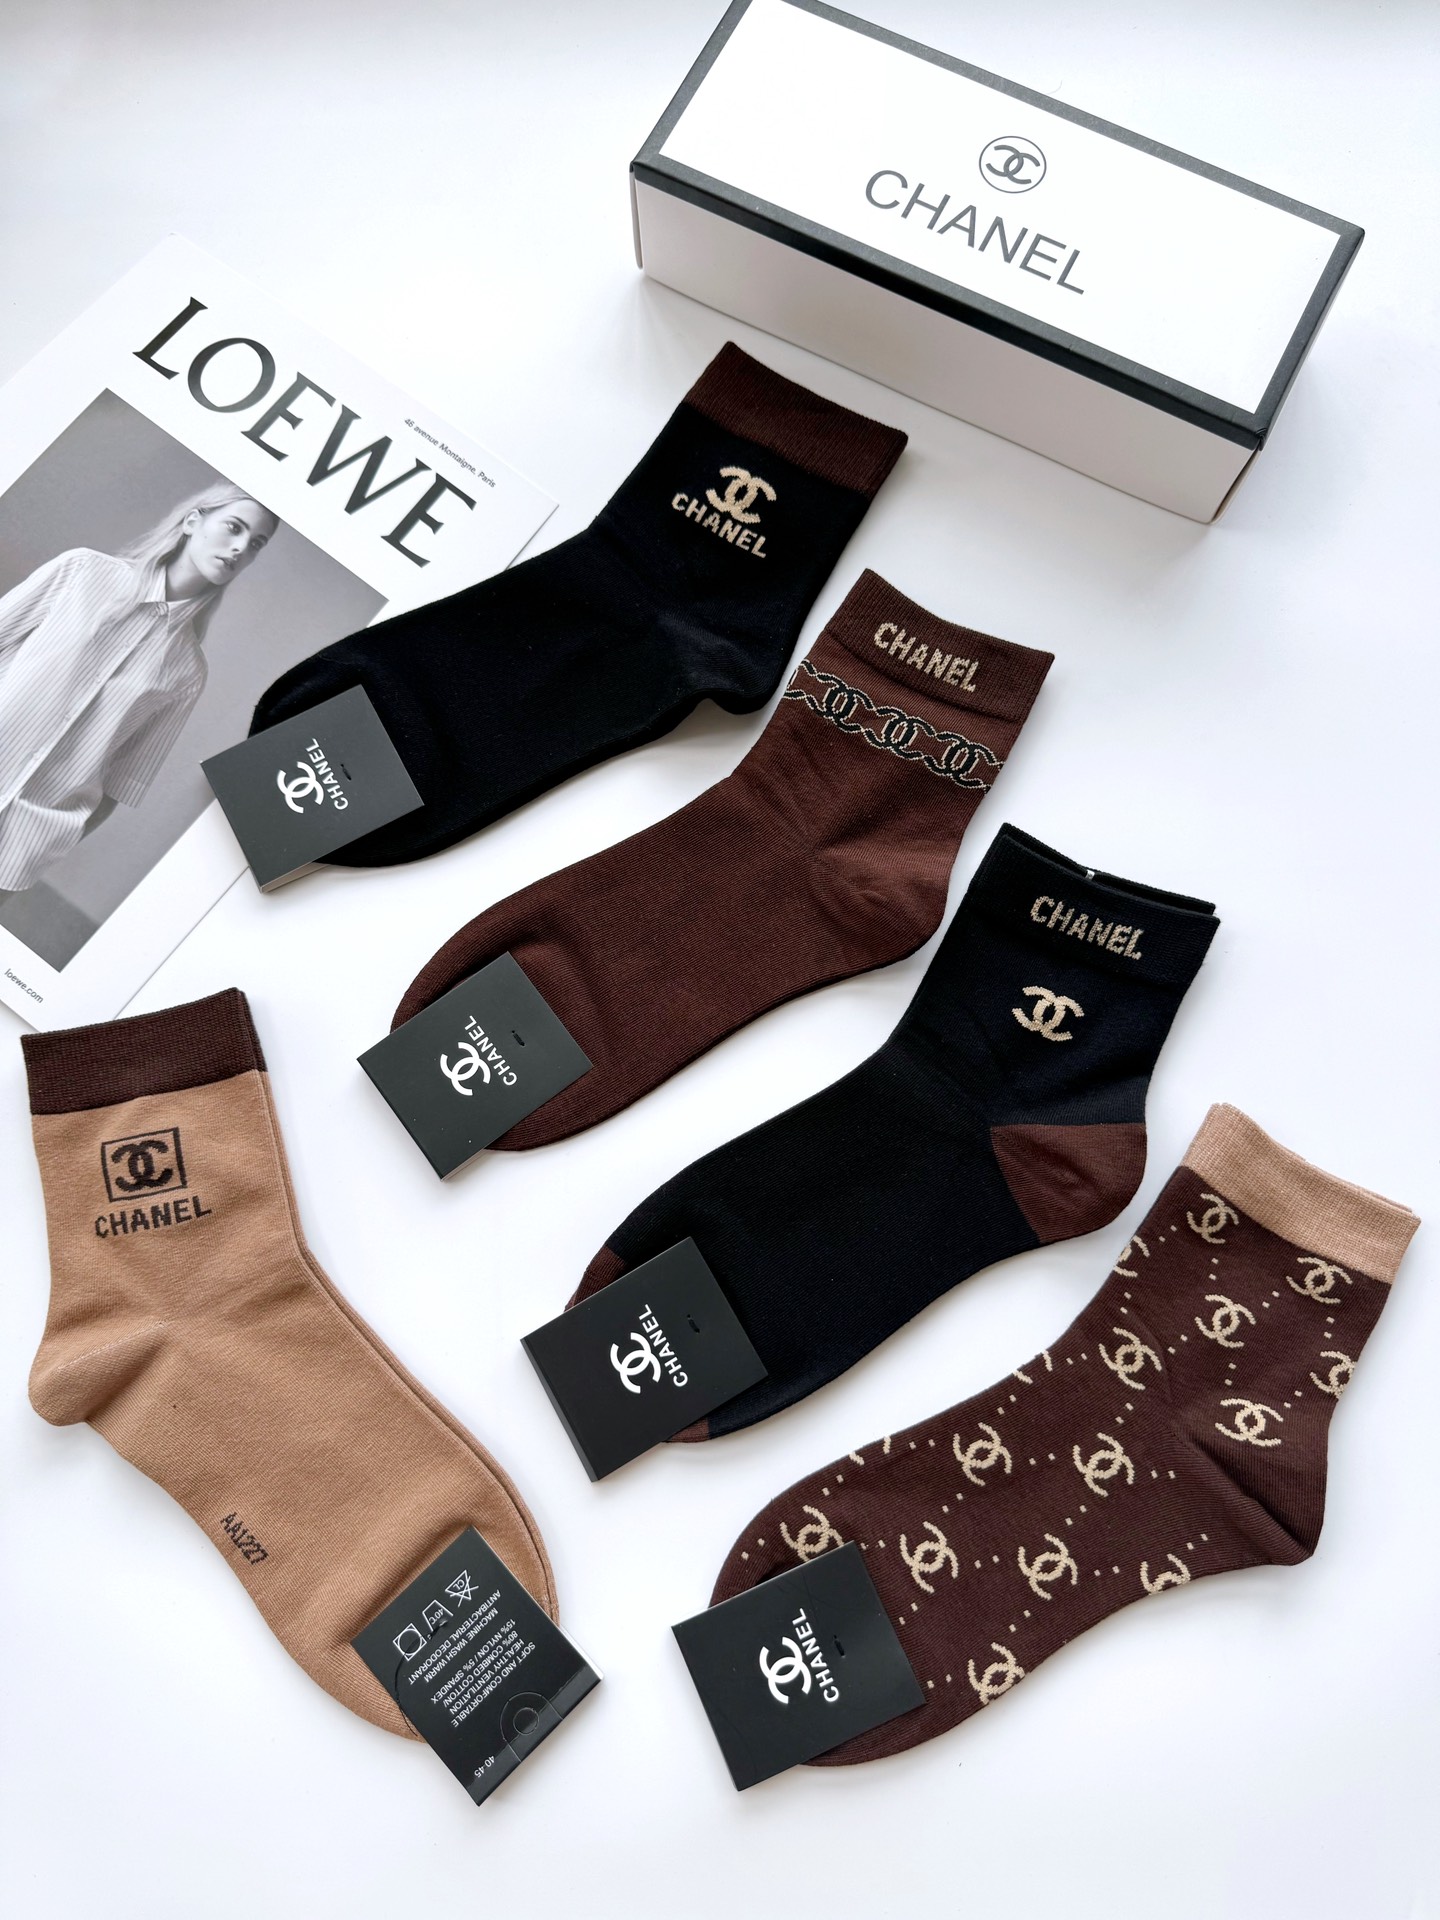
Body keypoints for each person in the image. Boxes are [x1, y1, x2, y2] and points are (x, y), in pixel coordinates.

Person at [0, 483, 279, 894]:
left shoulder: (188, 671)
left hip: (21, 845)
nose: (240, 548)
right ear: (192, 521)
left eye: (256, 544)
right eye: (234, 528)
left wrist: (49, 842)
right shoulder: (82, 572)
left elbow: (120, 784)